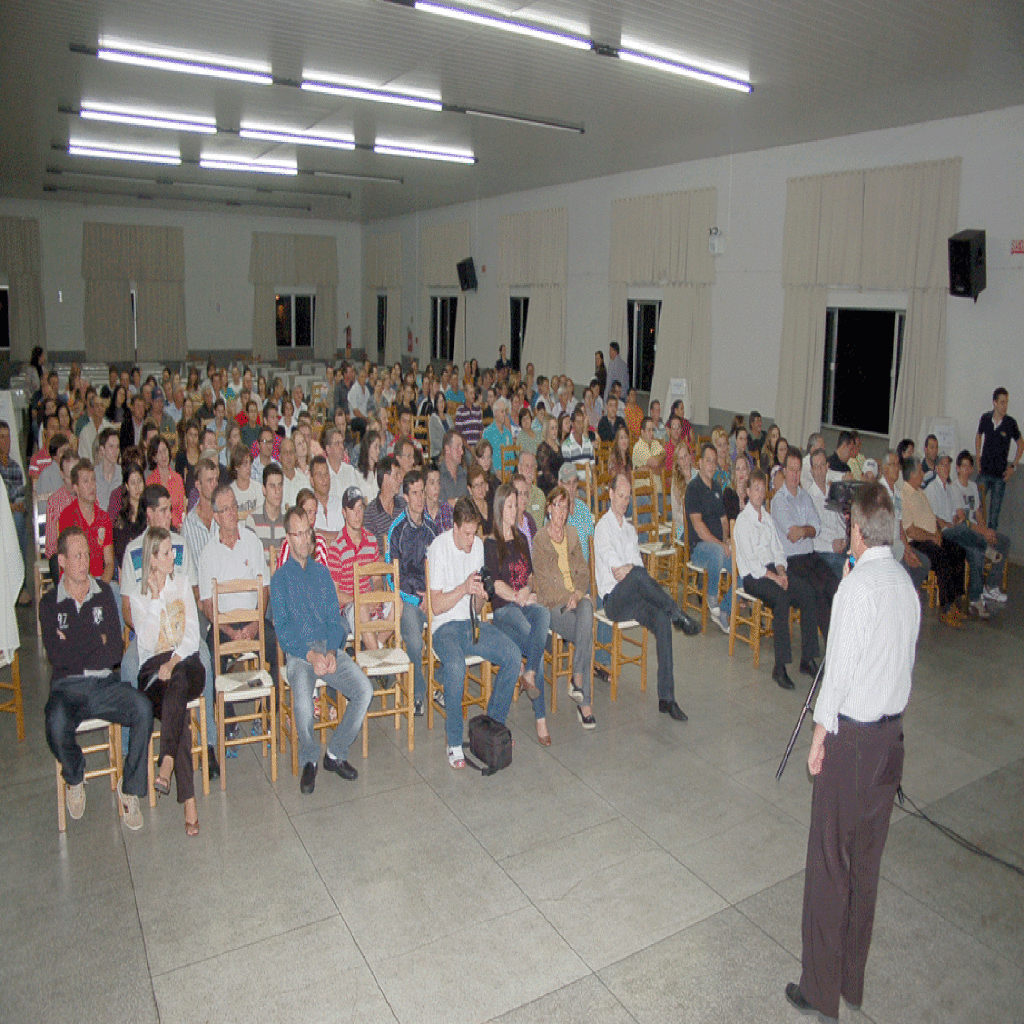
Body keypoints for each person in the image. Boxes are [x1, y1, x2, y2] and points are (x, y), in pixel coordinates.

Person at [785, 482, 920, 1023]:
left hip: (853, 742)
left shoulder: (856, 589)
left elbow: (836, 673)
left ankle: (820, 991)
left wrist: (819, 738)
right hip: (891, 741)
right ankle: (851, 981)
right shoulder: (905, 585)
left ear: (856, 532)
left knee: (828, 866)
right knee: (866, 865)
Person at [43, 526, 153, 831]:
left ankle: (129, 789)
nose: (84, 560)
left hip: (104, 683)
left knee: (143, 709)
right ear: (62, 560)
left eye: (87, 554)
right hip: (67, 688)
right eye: (77, 555)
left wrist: (76, 641)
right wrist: (95, 641)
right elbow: (57, 655)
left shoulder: (105, 593)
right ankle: (75, 775)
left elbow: (114, 651)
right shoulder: (49, 603)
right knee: (53, 723)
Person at [273, 505, 373, 793]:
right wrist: (311, 656)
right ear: (288, 538)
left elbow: (335, 620)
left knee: (364, 691)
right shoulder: (280, 580)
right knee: (304, 706)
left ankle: (335, 753)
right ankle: (309, 760)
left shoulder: (322, 574)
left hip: (327, 650)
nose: (305, 540)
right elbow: (283, 630)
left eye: (308, 533)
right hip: (300, 654)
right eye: (299, 534)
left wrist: (330, 651)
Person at [595, 472, 699, 721]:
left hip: (634, 597)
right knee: (639, 574)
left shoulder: (630, 530)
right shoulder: (602, 528)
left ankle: (667, 698)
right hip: (614, 600)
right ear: (610, 494)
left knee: (661, 621)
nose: (624, 501)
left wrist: (631, 570)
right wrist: (631, 570)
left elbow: (632, 568)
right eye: (620, 496)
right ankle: (678, 613)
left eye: (627, 497)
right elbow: (617, 571)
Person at [427, 497, 520, 768]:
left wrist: (480, 596)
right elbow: (436, 606)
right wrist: (464, 589)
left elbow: (477, 605)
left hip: (470, 624)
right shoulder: (438, 548)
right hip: (444, 628)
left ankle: (492, 726)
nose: (471, 540)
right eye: (466, 533)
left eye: (474, 532)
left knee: (513, 655)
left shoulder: (478, 546)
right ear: (454, 528)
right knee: (456, 667)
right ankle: (454, 741)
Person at [129, 527, 205, 835]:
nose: (172, 556)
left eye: (171, 550)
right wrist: (158, 598)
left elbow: (192, 634)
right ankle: (188, 799)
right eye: (165, 553)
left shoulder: (184, 584)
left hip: (185, 663)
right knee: (178, 709)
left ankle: (167, 761)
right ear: (152, 561)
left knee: (179, 679)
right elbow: (146, 644)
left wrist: (174, 661)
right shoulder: (138, 598)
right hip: (154, 673)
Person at [734, 470, 820, 689]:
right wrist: (774, 577)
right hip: (754, 577)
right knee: (781, 599)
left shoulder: (768, 518)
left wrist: (782, 572)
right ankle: (779, 667)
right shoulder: (743, 522)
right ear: (747, 492)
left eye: (763, 490)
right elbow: (752, 564)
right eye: (755, 489)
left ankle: (807, 659)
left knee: (807, 592)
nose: (760, 494)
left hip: (773, 570)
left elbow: (778, 551)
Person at [199, 484, 280, 707]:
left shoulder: (252, 541)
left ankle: (270, 714)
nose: (232, 513)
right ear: (215, 516)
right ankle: (227, 720)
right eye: (225, 509)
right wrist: (229, 630)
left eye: (234, 506)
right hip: (223, 624)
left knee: (277, 645)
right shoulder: (208, 553)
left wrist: (255, 623)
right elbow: (207, 605)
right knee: (211, 656)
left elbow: (264, 588)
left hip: (253, 618)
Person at [485, 483, 553, 745]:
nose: (514, 510)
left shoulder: (523, 539)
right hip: (505, 609)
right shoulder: (490, 543)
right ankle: (541, 720)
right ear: (500, 507)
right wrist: (516, 596)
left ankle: (529, 673)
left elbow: (532, 576)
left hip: (524, 602)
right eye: (510, 505)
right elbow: (495, 585)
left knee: (543, 615)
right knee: (534, 639)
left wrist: (527, 591)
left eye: (517, 505)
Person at [533, 484, 596, 728]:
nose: (561, 511)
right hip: (554, 607)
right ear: (549, 508)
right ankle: (584, 700)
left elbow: (583, 571)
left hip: (575, 601)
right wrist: (569, 596)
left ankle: (578, 681)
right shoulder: (540, 540)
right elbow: (545, 586)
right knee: (586, 631)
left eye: (565, 506)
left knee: (587, 610)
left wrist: (579, 593)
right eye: (557, 505)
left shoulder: (571, 534)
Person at [771, 448, 839, 641]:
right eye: (791, 470)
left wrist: (804, 530)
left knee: (835, 586)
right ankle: (830, 646)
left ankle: (841, 640)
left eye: (798, 470)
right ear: (784, 471)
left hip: (811, 556)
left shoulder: (805, 496)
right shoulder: (779, 500)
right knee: (817, 591)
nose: (795, 475)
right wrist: (804, 530)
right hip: (792, 560)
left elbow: (816, 528)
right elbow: (793, 535)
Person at [899, 456, 966, 628]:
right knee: (942, 557)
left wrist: (936, 532)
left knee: (957, 551)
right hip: (918, 541)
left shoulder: (920, 491)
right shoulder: (904, 495)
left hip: (931, 536)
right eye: (920, 471)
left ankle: (955, 602)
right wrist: (931, 536)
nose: (923, 474)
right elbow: (910, 530)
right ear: (913, 474)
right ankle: (945, 608)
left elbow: (931, 518)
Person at [684, 443, 734, 634]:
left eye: (714, 462)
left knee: (742, 564)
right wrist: (721, 544)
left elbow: (723, 519)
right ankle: (711, 597)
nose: (712, 466)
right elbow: (698, 526)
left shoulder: (717, 487)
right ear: (700, 462)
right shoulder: (693, 489)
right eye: (708, 461)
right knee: (717, 551)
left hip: (719, 546)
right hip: (699, 549)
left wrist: (727, 539)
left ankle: (723, 609)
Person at [949, 450, 1010, 605]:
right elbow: (962, 518)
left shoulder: (973, 486)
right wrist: (983, 532)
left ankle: (991, 586)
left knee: (1003, 541)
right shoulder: (954, 488)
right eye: (964, 466)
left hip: (977, 528)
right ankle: (978, 591)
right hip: (964, 531)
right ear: (957, 468)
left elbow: (978, 513)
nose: (967, 470)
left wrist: (986, 531)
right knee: (981, 546)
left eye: (970, 467)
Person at [975, 387, 1022, 530]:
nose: (1005, 406)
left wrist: (1013, 466)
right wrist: (978, 457)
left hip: (999, 477)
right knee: (976, 509)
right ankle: (976, 542)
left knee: (994, 516)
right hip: (984, 473)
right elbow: (978, 435)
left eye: (1006, 402)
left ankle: (990, 548)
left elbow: (1021, 444)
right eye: (1002, 402)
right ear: (994, 403)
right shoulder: (985, 418)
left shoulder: (1010, 423)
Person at [807, 448, 850, 578]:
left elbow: (842, 522)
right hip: (823, 551)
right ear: (812, 471)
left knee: (860, 564)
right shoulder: (809, 498)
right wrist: (831, 546)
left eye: (822, 466)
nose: (820, 470)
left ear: (827, 467)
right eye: (816, 466)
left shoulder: (834, 492)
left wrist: (844, 540)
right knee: (844, 570)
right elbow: (810, 539)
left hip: (841, 547)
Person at [0, 420, 29, 605]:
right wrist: (9, 506)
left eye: (8, 436)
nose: (6, 441)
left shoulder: (15, 468)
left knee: (19, 521)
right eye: (1, 437)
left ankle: (20, 583)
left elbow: (21, 503)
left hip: (11, 516)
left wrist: (10, 506)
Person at [363, 455, 406, 554]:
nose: (400, 480)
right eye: (396, 475)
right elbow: (371, 554)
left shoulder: (404, 506)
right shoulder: (370, 513)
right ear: (386, 478)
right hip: (382, 567)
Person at [250, 463, 287, 572]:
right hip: (262, 580)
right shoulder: (253, 520)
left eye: (280, 485)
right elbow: (251, 561)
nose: (277, 491)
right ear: (264, 490)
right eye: (272, 486)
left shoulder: (289, 520)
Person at [147, 435, 185, 530]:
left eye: (165, 450)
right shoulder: (150, 481)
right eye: (159, 452)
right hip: (158, 529)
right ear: (154, 457)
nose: (163, 455)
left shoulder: (177, 478)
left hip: (177, 528)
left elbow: (182, 508)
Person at [424, 464, 453, 532]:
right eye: (432, 483)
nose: (436, 487)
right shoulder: (420, 513)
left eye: (438, 483)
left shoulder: (448, 510)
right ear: (424, 486)